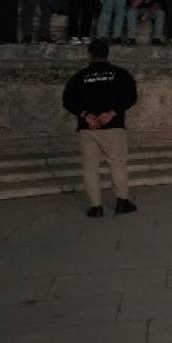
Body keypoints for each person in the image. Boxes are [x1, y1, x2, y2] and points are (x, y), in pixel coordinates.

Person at [62, 39, 138, 218]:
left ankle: (96, 207)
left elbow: (67, 101)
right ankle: (122, 201)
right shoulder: (120, 74)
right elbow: (131, 97)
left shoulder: (79, 77)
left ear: (89, 54)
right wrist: (112, 113)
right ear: (107, 54)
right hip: (113, 127)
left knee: (90, 167)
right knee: (117, 164)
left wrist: (85, 115)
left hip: (88, 128)